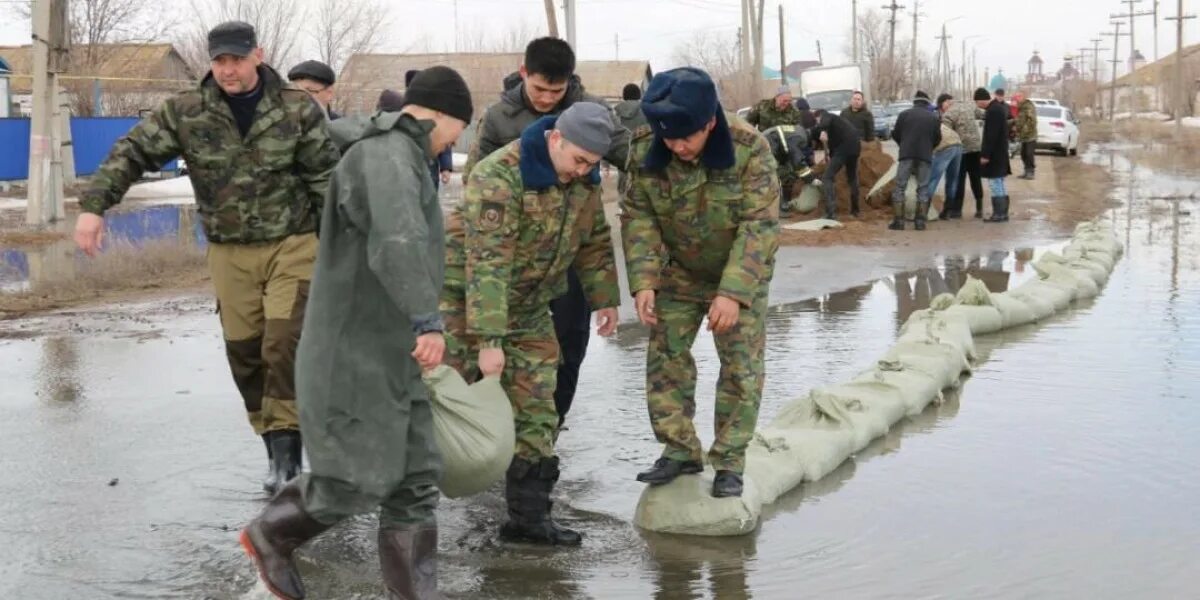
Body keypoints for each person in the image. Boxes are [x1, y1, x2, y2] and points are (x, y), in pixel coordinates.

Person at [74, 21, 339, 493]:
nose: (228, 69)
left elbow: (326, 180)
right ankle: (271, 440)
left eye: (236, 59)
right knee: (245, 352)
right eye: (219, 61)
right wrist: (95, 207)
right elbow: (132, 151)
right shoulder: (187, 112)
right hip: (229, 248)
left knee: (283, 344)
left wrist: (343, 247)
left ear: (258, 55)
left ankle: (287, 461)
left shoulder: (298, 109)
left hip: (293, 242)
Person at [239, 66, 473, 600]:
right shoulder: (386, 156)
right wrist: (426, 318)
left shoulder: (409, 157)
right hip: (355, 347)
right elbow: (397, 242)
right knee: (355, 474)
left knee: (415, 478)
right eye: (458, 128)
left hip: (394, 348)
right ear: (440, 114)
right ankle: (271, 534)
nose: (455, 141)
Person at [441, 103, 621, 546]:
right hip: (464, 306)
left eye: (592, 165)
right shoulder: (498, 175)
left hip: (530, 307)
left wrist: (605, 299)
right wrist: (489, 339)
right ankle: (392, 507)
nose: (583, 172)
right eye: (579, 160)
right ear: (555, 139)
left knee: (539, 408)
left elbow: (594, 239)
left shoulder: (583, 180)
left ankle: (527, 521)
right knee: (437, 403)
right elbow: (487, 264)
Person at [621, 67, 780, 499]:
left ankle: (729, 460)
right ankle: (679, 450)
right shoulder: (643, 149)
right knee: (665, 356)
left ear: (710, 121)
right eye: (667, 139)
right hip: (678, 271)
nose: (676, 147)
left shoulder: (750, 149)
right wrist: (644, 280)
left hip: (740, 270)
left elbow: (759, 225)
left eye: (686, 137)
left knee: (740, 368)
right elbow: (639, 215)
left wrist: (732, 293)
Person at [463, 37, 630, 430]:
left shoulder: (587, 112)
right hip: (511, 244)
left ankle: (549, 424)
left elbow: (625, 160)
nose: (546, 98)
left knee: (568, 343)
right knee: (493, 344)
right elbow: (475, 178)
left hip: (564, 248)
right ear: (524, 74)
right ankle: (497, 426)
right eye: (539, 89)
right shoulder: (500, 117)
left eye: (556, 91)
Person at [888, 91, 942, 231]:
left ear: (915, 101)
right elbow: (938, 138)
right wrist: (929, 148)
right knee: (923, 188)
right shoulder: (934, 117)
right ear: (927, 102)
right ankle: (920, 222)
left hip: (906, 155)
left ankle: (899, 222)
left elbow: (895, 134)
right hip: (925, 156)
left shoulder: (904, 115)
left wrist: (904, 145)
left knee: (900, 187)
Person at [808, 108, 862, 219]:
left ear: (818, 117)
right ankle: (855, 211)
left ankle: (830, 213)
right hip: (855, 148)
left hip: (844, 149)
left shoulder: (828, 116)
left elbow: (824, 122)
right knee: (852, 178)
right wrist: (829, 157)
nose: (818, 123)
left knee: (827, 177)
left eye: (817, 120)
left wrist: (822, 130)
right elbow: (834, 146)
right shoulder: (838, 123)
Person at [406, 69, 454, 189]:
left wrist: (445, 168)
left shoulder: (434, 110)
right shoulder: (401, 109)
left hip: (429, 169)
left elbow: (443, 137)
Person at [943, 89, 985, 219]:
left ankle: (957, 210)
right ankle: (979, 208)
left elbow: (945, 131)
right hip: (976, 148)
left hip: (960, 150)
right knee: (975, 178)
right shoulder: (971, 106)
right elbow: (983, 114)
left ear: (948, 103)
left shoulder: (949, 113)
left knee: (959, 179)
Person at [979, 87, 1013, 222]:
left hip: (995, 154)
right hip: (1001, 152)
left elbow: (990, 135)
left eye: (977, 102)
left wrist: (985, 155)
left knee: (995, 183)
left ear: (981, 100)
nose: (977, 105)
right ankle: (1003, 213)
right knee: (999, 182)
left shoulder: (992, 111)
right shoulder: (999, 108)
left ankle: (998, 214)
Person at [927, 96, 963, 218]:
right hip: (958, 144)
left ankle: (923, 210)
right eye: (947, 102)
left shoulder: (931, 118)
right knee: (952, 180)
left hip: (946, 146)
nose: (949, 104)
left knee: (933, 178)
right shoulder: (935, 115)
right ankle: (947, 211)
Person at [613, 83, 648, 195]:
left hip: (623, 156)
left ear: (624, 96)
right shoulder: (647, 111)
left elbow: (610, 136)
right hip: (644, 154)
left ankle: (623, 208)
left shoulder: (615, 114)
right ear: (639, 95)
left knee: (624, 188)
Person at [1014, 92, 1038, 179]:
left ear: (1024, 97)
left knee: (1029, 154)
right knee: (1023, 154)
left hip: (1030, 135)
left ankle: (1031, 172)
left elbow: (1032, 121)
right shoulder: (1021, 108)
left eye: (1019, 97)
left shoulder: (1028, 107)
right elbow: (1019, 120)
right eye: (1016, 97)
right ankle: (1026, 171)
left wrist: (1024, 130)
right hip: (1023, 135)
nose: (1017, 99)